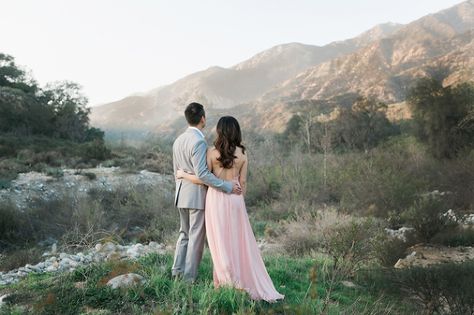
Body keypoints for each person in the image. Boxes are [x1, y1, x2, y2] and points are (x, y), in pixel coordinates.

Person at [177, 116, 284, 302]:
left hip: (215, 200)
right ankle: (240, 278)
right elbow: (243, 183)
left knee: (219, 242)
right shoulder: (243, 153)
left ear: (219, 131)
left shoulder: (211, 152)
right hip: (235, 199)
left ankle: (225, 281)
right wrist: (239, 200)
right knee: (237, 241)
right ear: (236, 131)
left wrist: (184, 175)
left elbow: (204, 178)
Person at [171, 103, 242, 283]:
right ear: (203, 118)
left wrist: (182, 178)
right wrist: (226, 186)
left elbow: (176, 171)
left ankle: (176, 272)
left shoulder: (178, 140)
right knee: (195, 237)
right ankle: (189, 278)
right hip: (196, 196)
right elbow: (202, 173)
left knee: (184, 234)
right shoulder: (199, 141)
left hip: (181, 194)